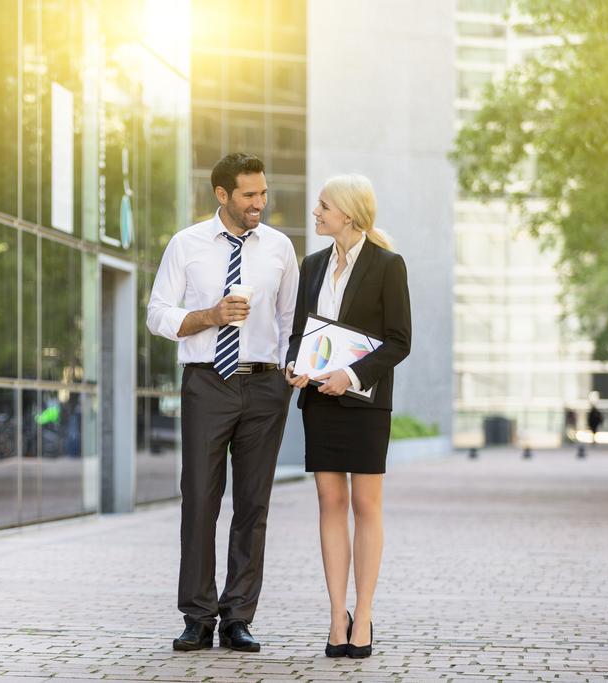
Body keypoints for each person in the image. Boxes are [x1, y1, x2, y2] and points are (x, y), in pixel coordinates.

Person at [147, 153, 299, 653]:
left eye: (263, 193)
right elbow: (158, 315)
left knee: (252, 504)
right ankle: (197, 615)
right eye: (249, 195)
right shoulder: (186, 244)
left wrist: (285, 372)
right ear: (222, 195)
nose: (259, 203)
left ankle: (238, 617)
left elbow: (289, 319)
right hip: (206, 382)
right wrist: (211, 314)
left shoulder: (279, 247)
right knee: (199, 500)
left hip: (263, 385)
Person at [285, 174, 411, 659]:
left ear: (348, 214)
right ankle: (338, 616)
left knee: (366, 506)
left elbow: (399, 341)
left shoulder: (388, 265)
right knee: (329, 505)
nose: (315, 213)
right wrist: (296, 366)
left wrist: (351, 376)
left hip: (364, 402)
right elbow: (300, 333)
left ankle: (366, 613)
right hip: (319, 402)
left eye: (322, 206)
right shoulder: (312, 265)